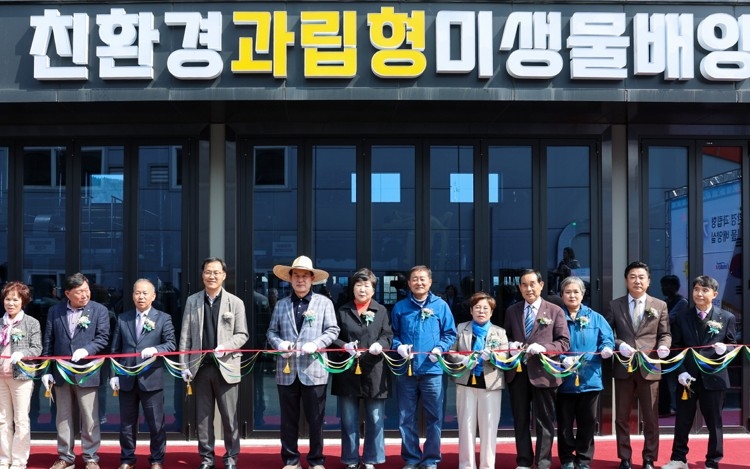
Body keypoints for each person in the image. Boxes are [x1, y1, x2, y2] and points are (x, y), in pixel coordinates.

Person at [266, 255, 340, 469]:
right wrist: (279, 344)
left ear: (312, 279)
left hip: (314, 370)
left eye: (304, 276)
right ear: (290, 279)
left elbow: (333, 330)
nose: (300, 280)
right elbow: (271, 331)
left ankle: (316, 460)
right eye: (296, 276)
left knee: (316, 419)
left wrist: (316, 344)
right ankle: (291, 460)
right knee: (288, 419)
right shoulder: (281, 304)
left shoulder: (324, 303)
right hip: (287, 370)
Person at [179, 257, 249, 469]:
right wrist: (184, 366)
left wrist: (226, 346)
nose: (212, 276)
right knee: (203, 418)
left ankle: (231, 458)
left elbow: (242, 334)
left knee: (229, 417)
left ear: (224, 275)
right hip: (200, 369)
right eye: (208, 272)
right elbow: (185, 337)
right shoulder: (192, 301)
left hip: (226, 367)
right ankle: (207, 458)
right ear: (202, 275)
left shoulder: (235, 302)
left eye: (216, 272)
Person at [661, 275, 737, 469]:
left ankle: (713, 461)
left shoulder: (726, 317)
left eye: (704, 290)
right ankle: (679, 459)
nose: (699, 294)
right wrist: (680, 372)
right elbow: (676, 347)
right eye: (696, 289)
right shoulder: (682, 317)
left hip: (714, 377)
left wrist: (725, 349)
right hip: (687, 378)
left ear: (714, 294)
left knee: (714, 422)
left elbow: (733, 346)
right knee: (683, 420)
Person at [41, 273, 111, 469]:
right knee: (63, 416)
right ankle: (66, 456)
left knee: (89, 417)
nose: (84, 295)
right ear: (67, 293)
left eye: (86, 290)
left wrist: (87, 350)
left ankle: (91, 457)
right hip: (61, 372)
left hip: (87, 371)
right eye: (79, 292)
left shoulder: (99, 310)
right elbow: (49, 340)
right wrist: (46, 370)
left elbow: (103, 338)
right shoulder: (55, 311)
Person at [606, 261, 671, 469]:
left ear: (649, 281)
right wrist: (619, 344)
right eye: (632, 277)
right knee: (621, 417)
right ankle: (625, 458)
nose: (637, 281)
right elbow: (607, 334)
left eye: (641, 277)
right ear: (626, 281)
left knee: (651, 417)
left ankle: (649, 458)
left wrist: (664, 346)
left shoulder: (659, 305)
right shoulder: (615, 305)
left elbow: (665, 334)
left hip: (649, 367)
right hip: (624, 367)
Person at [391, 265, 457, 469]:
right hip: (407, 370)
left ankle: (430, 459)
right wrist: (399, 346)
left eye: (422, 279)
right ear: (409, 283)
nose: (419, 282)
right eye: (415, 279)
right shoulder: (400, 307)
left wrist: (440, 348)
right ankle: (411, 458)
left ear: (430, 282)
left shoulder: (441, 306)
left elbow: (450, 334)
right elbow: (392, 334)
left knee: (435, 417)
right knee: (405, 417)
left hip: (433, 371)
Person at [504, 269, 570, 469]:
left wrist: (544, 348)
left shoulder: (555, 310)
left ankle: (542, 463)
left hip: (544, 373)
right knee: (520, 420)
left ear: (541, 285)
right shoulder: (512, 310)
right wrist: (510, 345)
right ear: (519, 288)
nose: (528, 289)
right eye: (524, 285)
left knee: (544, 421)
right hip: (518, 373)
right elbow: (505, 337)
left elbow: (564, 342)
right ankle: (524, 461)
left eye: (532, 284)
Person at [109, 279, 176, 469]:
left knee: (156, 423)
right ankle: (127, 459)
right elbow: (115, 350)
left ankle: (156, 460)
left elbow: (171, 344)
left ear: (153, 296)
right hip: (126, 378)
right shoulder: (123, 318)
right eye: (137, 292)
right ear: (132, 295)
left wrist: (156, 349)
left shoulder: (163, 318)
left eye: (145, 293)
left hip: (151, 379)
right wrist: (114, 375)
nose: (141, 296)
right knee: (127, 424)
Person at [331, 268, 393, 469]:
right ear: (353, 288)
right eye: (358, 285)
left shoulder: (381, 311)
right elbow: (333, 336)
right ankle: (350, 460)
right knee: (349, 419)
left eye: (367, 285)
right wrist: (344, 346)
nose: (362, 289)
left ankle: (371, 459)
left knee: (375, 418)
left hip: (374, 371)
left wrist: (380, 345)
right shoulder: (342, 310)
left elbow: (388, 336)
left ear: (373, 289)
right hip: (348, 371)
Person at [556, 276, 615, 469]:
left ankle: (583, 459)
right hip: (563, 379)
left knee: (588, 422)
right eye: (568, 292)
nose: (572, 295)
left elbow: (607, 339)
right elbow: (551, 343)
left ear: (583, 294)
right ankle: (566, 459)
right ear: (562, 295)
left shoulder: (595, 317)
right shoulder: (556, 317)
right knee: (564, 424)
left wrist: (607, 348)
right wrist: (561, 359)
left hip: (590, 379)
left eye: (576, 292)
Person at [446, 292, 508, 469]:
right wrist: (463, 359)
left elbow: (505, 355)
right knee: (466, 426)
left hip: (490, 383)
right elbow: (450, 352)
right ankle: (466, 465)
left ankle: (487, 465)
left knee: (489, 427)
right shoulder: (461, 328)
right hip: (466, 382)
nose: (481, 311)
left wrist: (493, 357)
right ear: (471, 310)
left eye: (486, 308)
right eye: (477, 308)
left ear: (491, 312)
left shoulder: (499, 332)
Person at [0, 281, 42, 469]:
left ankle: (18, 461)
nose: (10, 303)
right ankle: (4, 459)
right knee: (2, 420)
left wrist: (22, 354)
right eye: (7, 299)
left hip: (21, 377)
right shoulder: (0, 323)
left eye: (15, 300)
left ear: (23, 301)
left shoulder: (31, 322)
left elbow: (37, 349)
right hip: (1, 377)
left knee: (21, 420)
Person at [659, 275, 689, 417]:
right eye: (663, 286)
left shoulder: (681, 302)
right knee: (665, 377)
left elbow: (669, 318)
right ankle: (666, 406)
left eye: (667, 286)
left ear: (675, 287)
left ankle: (677, 406)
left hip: (677, 344)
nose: (664, 289)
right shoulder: (666, 302)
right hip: (665, 345)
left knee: (678, 376)